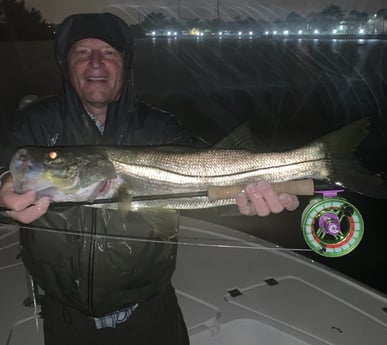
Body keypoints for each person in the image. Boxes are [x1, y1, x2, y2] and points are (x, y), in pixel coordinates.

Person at [0, 13, 299, 345]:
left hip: (152, 315)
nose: (96, 62)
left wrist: (244, 204)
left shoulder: (161, 127)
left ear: (125, 65)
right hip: (66, 320)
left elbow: (206, 189)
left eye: (109, 52)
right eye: (82, 52)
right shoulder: (32, 125)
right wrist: (2, 190)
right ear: (66, 64)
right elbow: (7, 164)